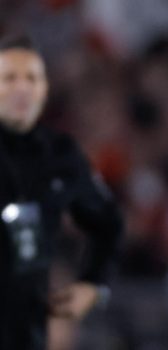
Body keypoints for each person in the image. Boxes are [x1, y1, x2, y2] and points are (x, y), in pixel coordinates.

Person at [0, 34, 123, 349]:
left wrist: (94, 283)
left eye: (32, 78)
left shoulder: (61, 154)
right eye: (9, 78)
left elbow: (107, 222)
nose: (21, 88)